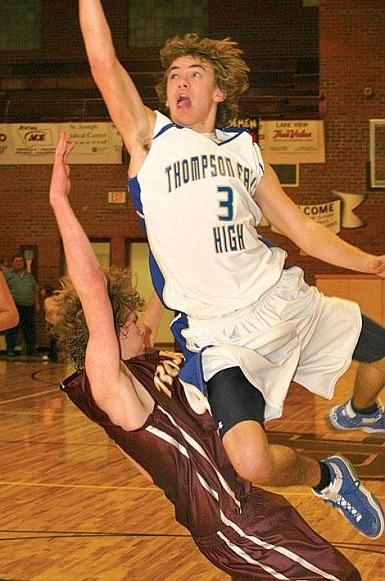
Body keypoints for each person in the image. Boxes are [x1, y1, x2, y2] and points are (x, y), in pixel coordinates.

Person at [65, 0, 385, 539]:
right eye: (174, 75)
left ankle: (359, 412)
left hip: (282, 297)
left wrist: (370, 262)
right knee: (251, 460)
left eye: (195, 73)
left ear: (219, 91)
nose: (180, 82)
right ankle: (330, 477)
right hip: (220, 331)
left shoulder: (245, 149)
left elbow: (297, 227)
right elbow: (104, 62)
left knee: (381, 356)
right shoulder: (150, 138)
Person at [50, 132, 360, 581]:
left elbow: (170, 279)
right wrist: (61, 201)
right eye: (130, 322)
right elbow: (92, 288)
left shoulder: (143, 364)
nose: (142, 324)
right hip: (231, 522)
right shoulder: (110, 386)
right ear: (108, 335)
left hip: (250, 500)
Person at [4, 253, 39, 357]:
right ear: (13, 263)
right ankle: (10, 350)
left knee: (29, 329)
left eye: (20, 261)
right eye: (17, 261)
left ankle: (31, 351)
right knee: (11, 329)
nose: (19, 263)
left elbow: (35, 290)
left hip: (28, 306)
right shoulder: (8, 275)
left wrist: (37, 303)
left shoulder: (29, 276)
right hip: (14, 306)